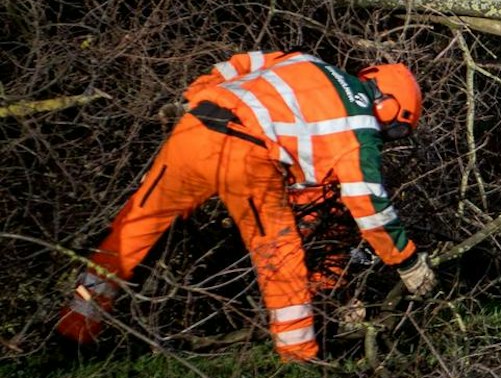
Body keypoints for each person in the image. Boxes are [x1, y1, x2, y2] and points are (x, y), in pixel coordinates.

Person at [56, 51, 435, 361]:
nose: (389, 138)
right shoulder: (359, 126)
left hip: (193, 127)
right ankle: (298, 358)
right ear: (387, 106)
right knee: (278, 254)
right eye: (397, 130)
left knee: (134, 228)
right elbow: (370, 207)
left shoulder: (303, 61)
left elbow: (237, 65)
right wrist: (407, 260)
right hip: (245, 154)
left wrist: (196, 93)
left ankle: (74, 334)